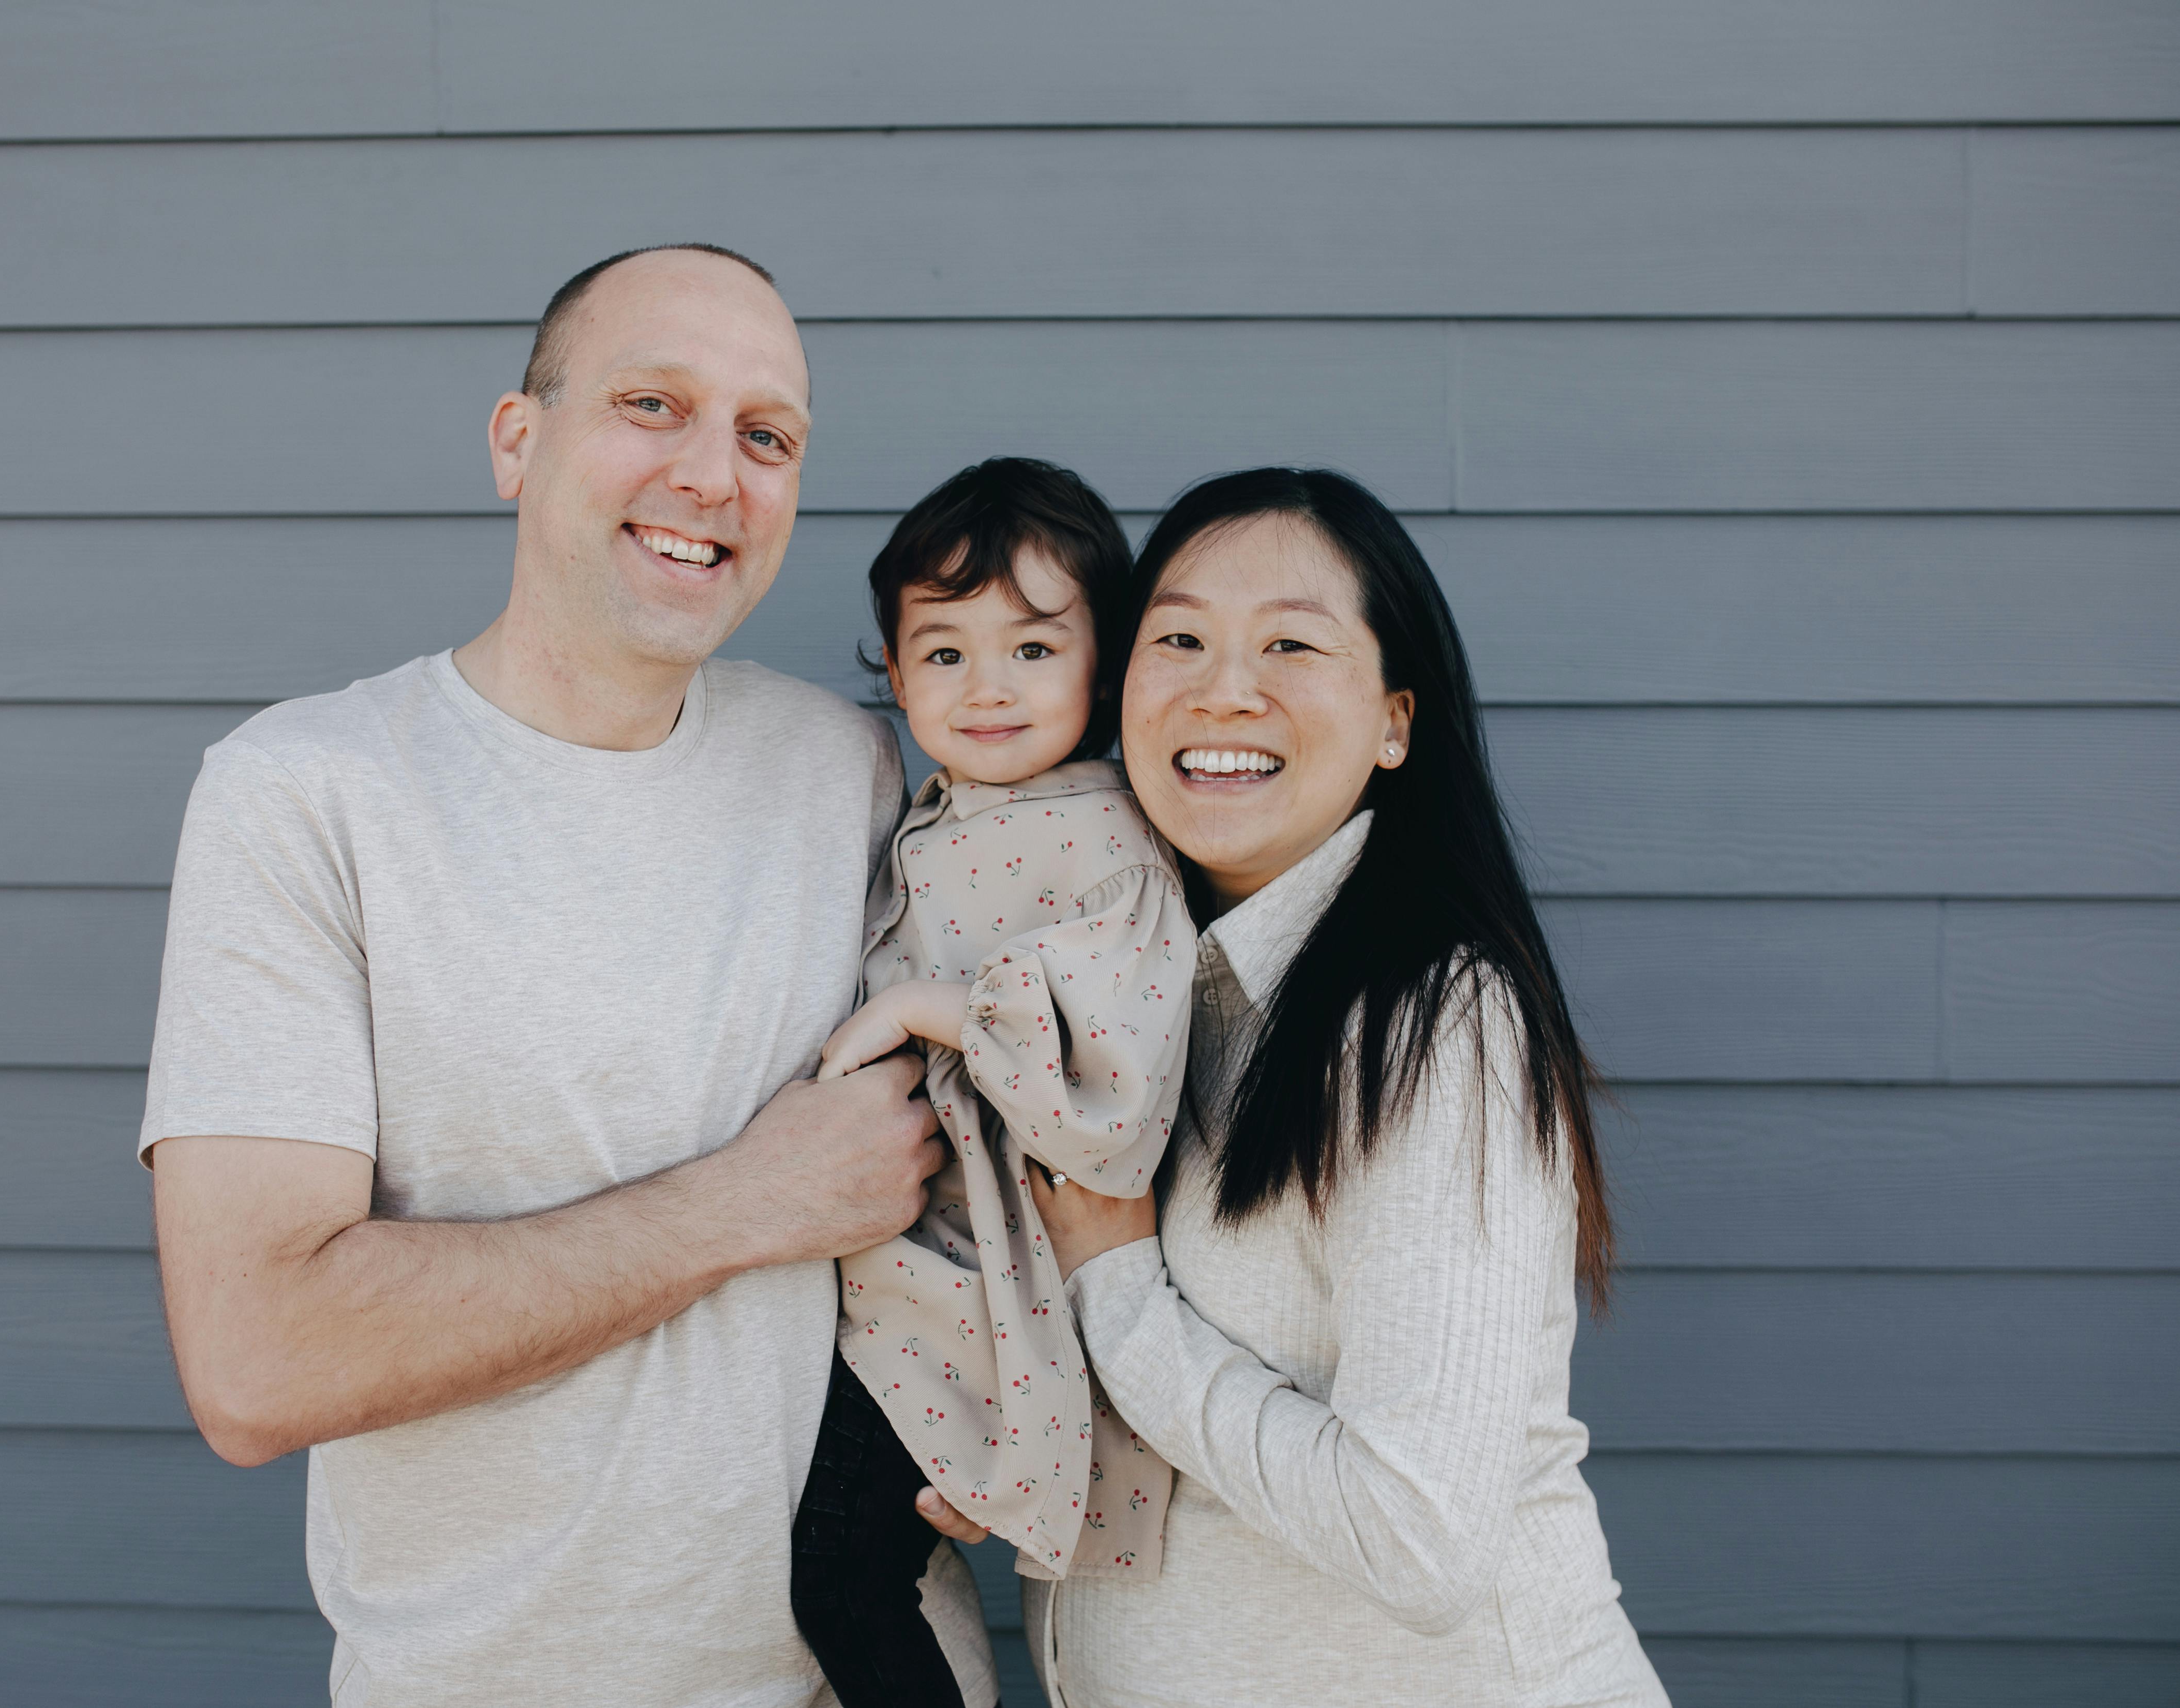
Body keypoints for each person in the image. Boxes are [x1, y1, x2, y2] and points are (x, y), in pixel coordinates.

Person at [139, 244, 996, 1707]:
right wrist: (751, 1200)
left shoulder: (840, 765)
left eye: (766, 435)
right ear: (517, 442)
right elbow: (258, 1358)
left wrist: (1012, 1394)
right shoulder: (307, 794)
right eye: (652, 403)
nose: (714, 474)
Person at [926, 467, 1667, 1705]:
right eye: (1179, 637)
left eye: (1290, 642)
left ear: (1394, 721)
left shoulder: (1435, 1026)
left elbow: (1417, 1539)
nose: (1225, 686)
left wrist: (1118, 1293)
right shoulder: (1145, 999)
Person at [789, 459, 1190, 1708]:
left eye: (1030, 648)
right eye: (945, 654)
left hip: (981, 1279)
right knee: (829, 1551)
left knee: (839, 1575)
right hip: (901, 1249)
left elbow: (1118, 1075)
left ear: (1105, 668)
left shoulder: (1109, 839)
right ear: (897, 677)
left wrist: (920, 1008)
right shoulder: (941, 808)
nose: (988, 688)